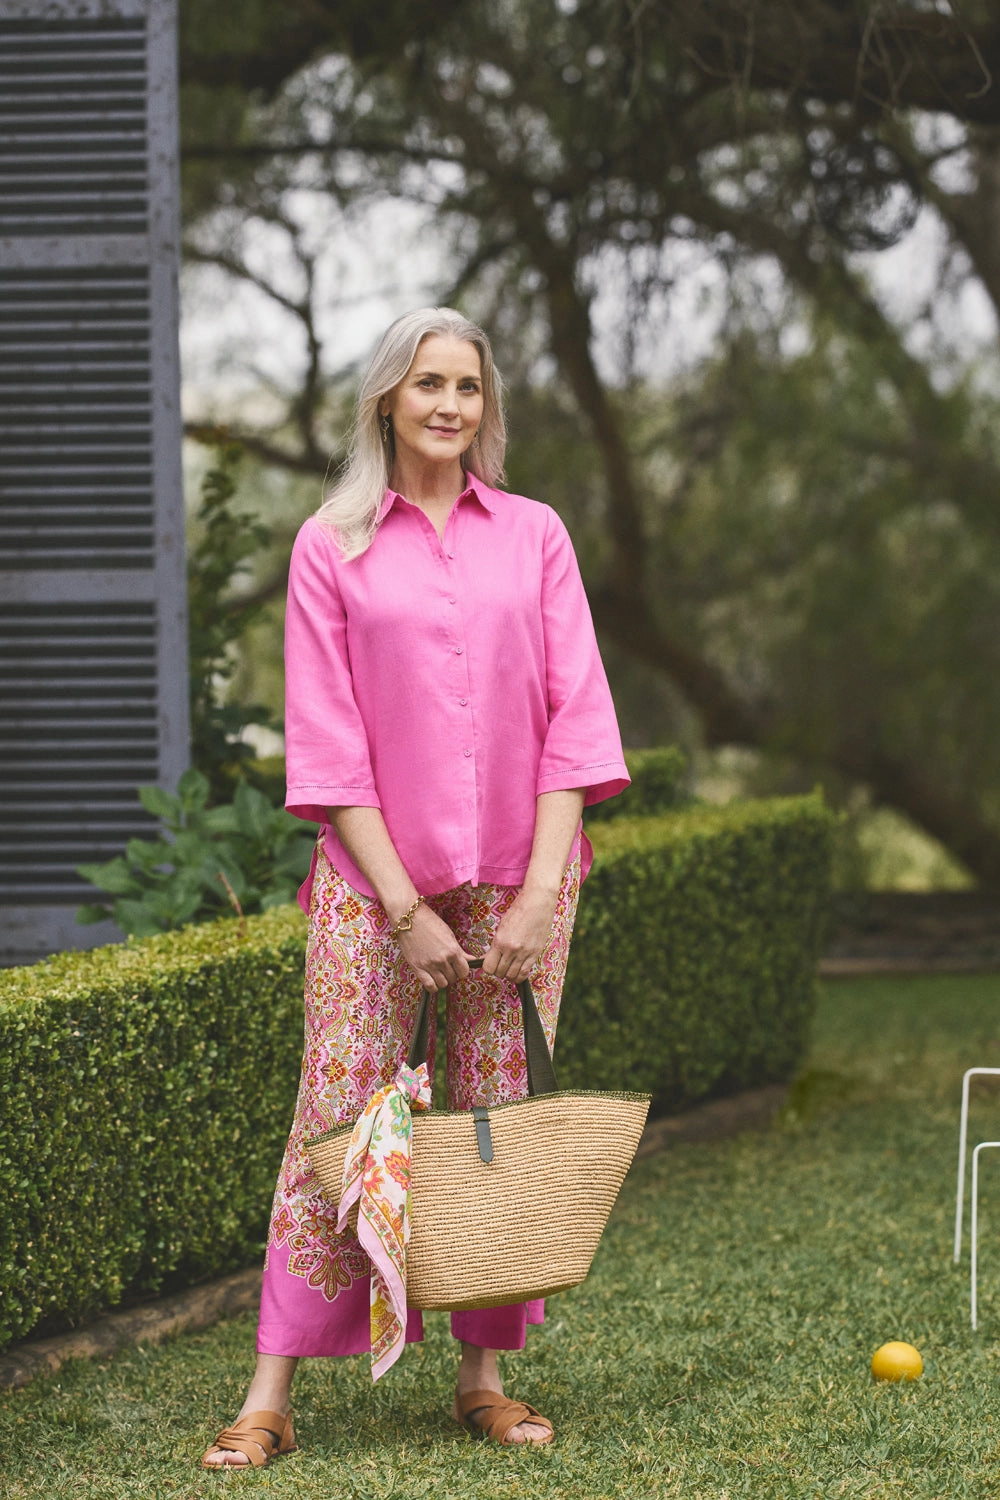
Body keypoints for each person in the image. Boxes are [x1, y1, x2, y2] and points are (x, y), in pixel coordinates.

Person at [202, 307, 629, 1468]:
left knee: (493, 1119)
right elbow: (327, 747)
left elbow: (574, 723)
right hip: (371, 883)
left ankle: (482, 1380)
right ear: (385, 399)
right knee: (335, 1114)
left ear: (486, 407)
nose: (449, 406)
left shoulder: (534, 536)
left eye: (469, 388)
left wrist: (541, 891)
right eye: (427, 384)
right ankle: (269, 1392)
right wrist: (402, 907)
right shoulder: (327, 547)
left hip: (523, 878)